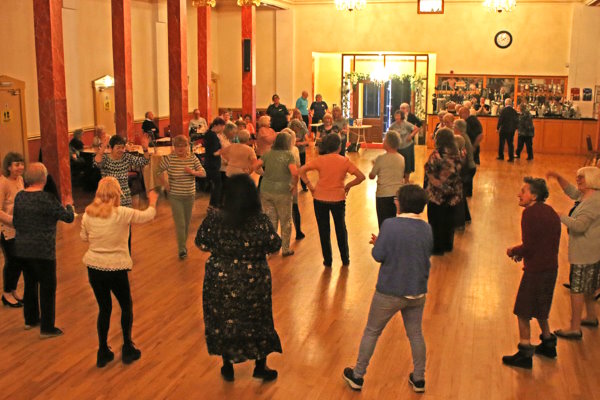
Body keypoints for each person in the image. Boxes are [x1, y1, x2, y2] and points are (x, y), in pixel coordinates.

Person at [343, 184, 432, 393]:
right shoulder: (426, 227)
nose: (395, 201)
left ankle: (358, 375)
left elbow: (378, 256)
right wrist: (384, 242)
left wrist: (379, 243)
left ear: (402, 203)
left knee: (372, 331)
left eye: (397, 199)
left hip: (390, 291)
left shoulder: (390, 225)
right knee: (416, 334)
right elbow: (417, 252)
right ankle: (419, 379)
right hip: (417, 291)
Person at [195, 174, 283, 382]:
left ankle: (227, 365)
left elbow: (201, 243)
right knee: (258, 320)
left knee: (224, 319)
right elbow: (274, 245)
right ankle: (260, 366)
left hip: (219, 278)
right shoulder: (260, 221)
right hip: (254, 278)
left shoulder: (214, 219)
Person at [80, 177, 159, 367]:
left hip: (94, 268)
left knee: (104, 308)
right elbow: (147, 215)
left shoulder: (87, 214)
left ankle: (102, 351)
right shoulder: (122, 213)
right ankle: (127, 347)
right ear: (117, 194)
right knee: (126, 306)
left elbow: (84, 238)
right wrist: (153, 201)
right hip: (116, 268)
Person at [503, 177, 561, 369]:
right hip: (551, 267)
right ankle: (548, 344)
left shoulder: (529, 214)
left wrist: (514, 251)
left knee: (523, 310)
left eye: (524, 191)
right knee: (542, 307)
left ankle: (525, 353)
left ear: (534, 195)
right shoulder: (550, 211)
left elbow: (529, 246)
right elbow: (541, 243)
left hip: (536, 270)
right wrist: (525, 252)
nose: (519, 194)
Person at [12, 163, 74, 337]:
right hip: (43, 251)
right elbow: (68, 218)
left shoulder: (19, 197)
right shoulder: (47, 199)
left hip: (23, 249)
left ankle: (30, 320)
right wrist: (69, 204)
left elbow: (16, 222)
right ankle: (47, 328)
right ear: (44, 178)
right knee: (47, 288)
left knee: (30, 284)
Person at [546, 167, 600, 340]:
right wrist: (558, 176)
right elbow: (571, 191)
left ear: (592, 179)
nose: (578, 180)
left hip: (584, 251)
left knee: (576, 289)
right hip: (592, 250)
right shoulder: (589, 196)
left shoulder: (593, 202)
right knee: (590, 286)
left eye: (581, 178)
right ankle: (591, 317)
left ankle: (574, 327)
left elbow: (579, 226)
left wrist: (559, 215)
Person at [299, 134, 365, 267]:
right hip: (338, 198)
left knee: (324, 230)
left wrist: (310, 186)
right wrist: (348, 186)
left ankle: (328, 260)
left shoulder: (320, 160)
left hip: (320, 198)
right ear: (339, 146)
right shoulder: (344, 161)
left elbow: (301, 170)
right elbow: (361, 177)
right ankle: (345, 259)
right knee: (341, 228)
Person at [157, 135, 206, 259]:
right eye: (177, 146)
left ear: (187, 146)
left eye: (182, 146)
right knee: (181, 223)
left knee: (187, 222)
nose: (180, 148)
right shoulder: (169, 159)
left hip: (189, 195)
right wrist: (165, 183)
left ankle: (182, 244)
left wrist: (192, 172)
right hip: (175, 196)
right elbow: (158, 171)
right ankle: (182, 248)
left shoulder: (192, 158)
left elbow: (203, 173)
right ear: (174, 147)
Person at [254, 132, 298, 256]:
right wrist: (294, 185)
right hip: (283, 191)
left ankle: (272, 248)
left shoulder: (268, 153)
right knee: (286, 221)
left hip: (266, 190)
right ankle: (285, 249)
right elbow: (294, 173)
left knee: (271, 220)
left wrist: (264, 174)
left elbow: (255, 166)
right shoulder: (289, 155)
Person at [424, 128, 463, 255]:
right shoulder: (457, 153)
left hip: (437, 195)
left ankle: (437, 248)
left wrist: (436, 181)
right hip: (453, 194)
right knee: (448, 221)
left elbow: (429, 170)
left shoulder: (437, 154)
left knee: (435, 221)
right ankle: (448, 245)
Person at [94, 134, 150, 208]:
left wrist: (145, 149)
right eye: (118, 148)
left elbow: (144, 161)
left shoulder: (126, 157)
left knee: (126, 218)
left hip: (125, 196)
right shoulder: (105, 158)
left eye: (122, 148)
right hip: (109, 197)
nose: (121, 150)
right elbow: (97, 162)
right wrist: (103, 147)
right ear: (111, 148)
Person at [0, 152, 25, 307]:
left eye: (21, 164)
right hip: (6, 229)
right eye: (17, 164)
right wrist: (12, 221)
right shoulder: (3, 183)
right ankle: (6, 293)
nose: (20, 167)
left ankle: (13, 290)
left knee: (20, 260)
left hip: (20, 228)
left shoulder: (20, 179)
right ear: (9, 167)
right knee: (12, 261)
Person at [369, 131, 405, 227]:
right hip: (397, 194)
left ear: (387, 143)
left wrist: (374, 165)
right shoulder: (401, 158)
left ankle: (384, 240)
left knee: (383, 223)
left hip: (383, 195)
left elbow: (371, 176)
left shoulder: (380, 158)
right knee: (394, 222)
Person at [281, 128, 305, 240]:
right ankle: (298, 232)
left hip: (282, 181)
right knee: (294, 207)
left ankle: (283, 235)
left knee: (282, 209)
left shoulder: (275, 151)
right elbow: (298, 166)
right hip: (291, 180)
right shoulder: (294, 150)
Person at [453, 119, 476, 225]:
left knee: (459, 196)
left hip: (466, 169)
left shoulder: (461, 138)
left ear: (457, 128)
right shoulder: (464, 136)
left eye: (454, 127)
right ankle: (466, 218)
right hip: (470, 167)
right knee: (462, 195)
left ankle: (460, 221)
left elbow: (461, 157)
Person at [390, 109, 419, 183]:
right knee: (398, 163)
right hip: (398, 147)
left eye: (398, 116)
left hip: (407, 146)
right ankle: (399, 179)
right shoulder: (393, 125)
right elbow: (390, 132)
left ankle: (407, 180)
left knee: (407, 163)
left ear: (402, 117)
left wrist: (411, 135)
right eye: (396, 116)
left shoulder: (406, 124)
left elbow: (416, 129)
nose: (397, 118)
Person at [203, 117, 226, 209]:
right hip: (213, 164)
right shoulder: (212, 136)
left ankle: (213, 205)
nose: (222, 131)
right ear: (218, 125)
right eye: (222, 128)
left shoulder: (209, 134)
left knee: (216, 184)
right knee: (217, 185)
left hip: (210, 163)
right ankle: (214, 205)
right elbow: (214, 152)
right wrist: (224, 150)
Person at [288, 118, 309, 191]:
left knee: (302, 169)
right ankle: (291, 185)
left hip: (301, 151)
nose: (298, 130)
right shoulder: (289, 131)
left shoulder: (303, 129)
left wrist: (300, 143)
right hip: (292, 152)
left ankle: (304, 185)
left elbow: (307, 141)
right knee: (291, 169)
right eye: (297, 128)